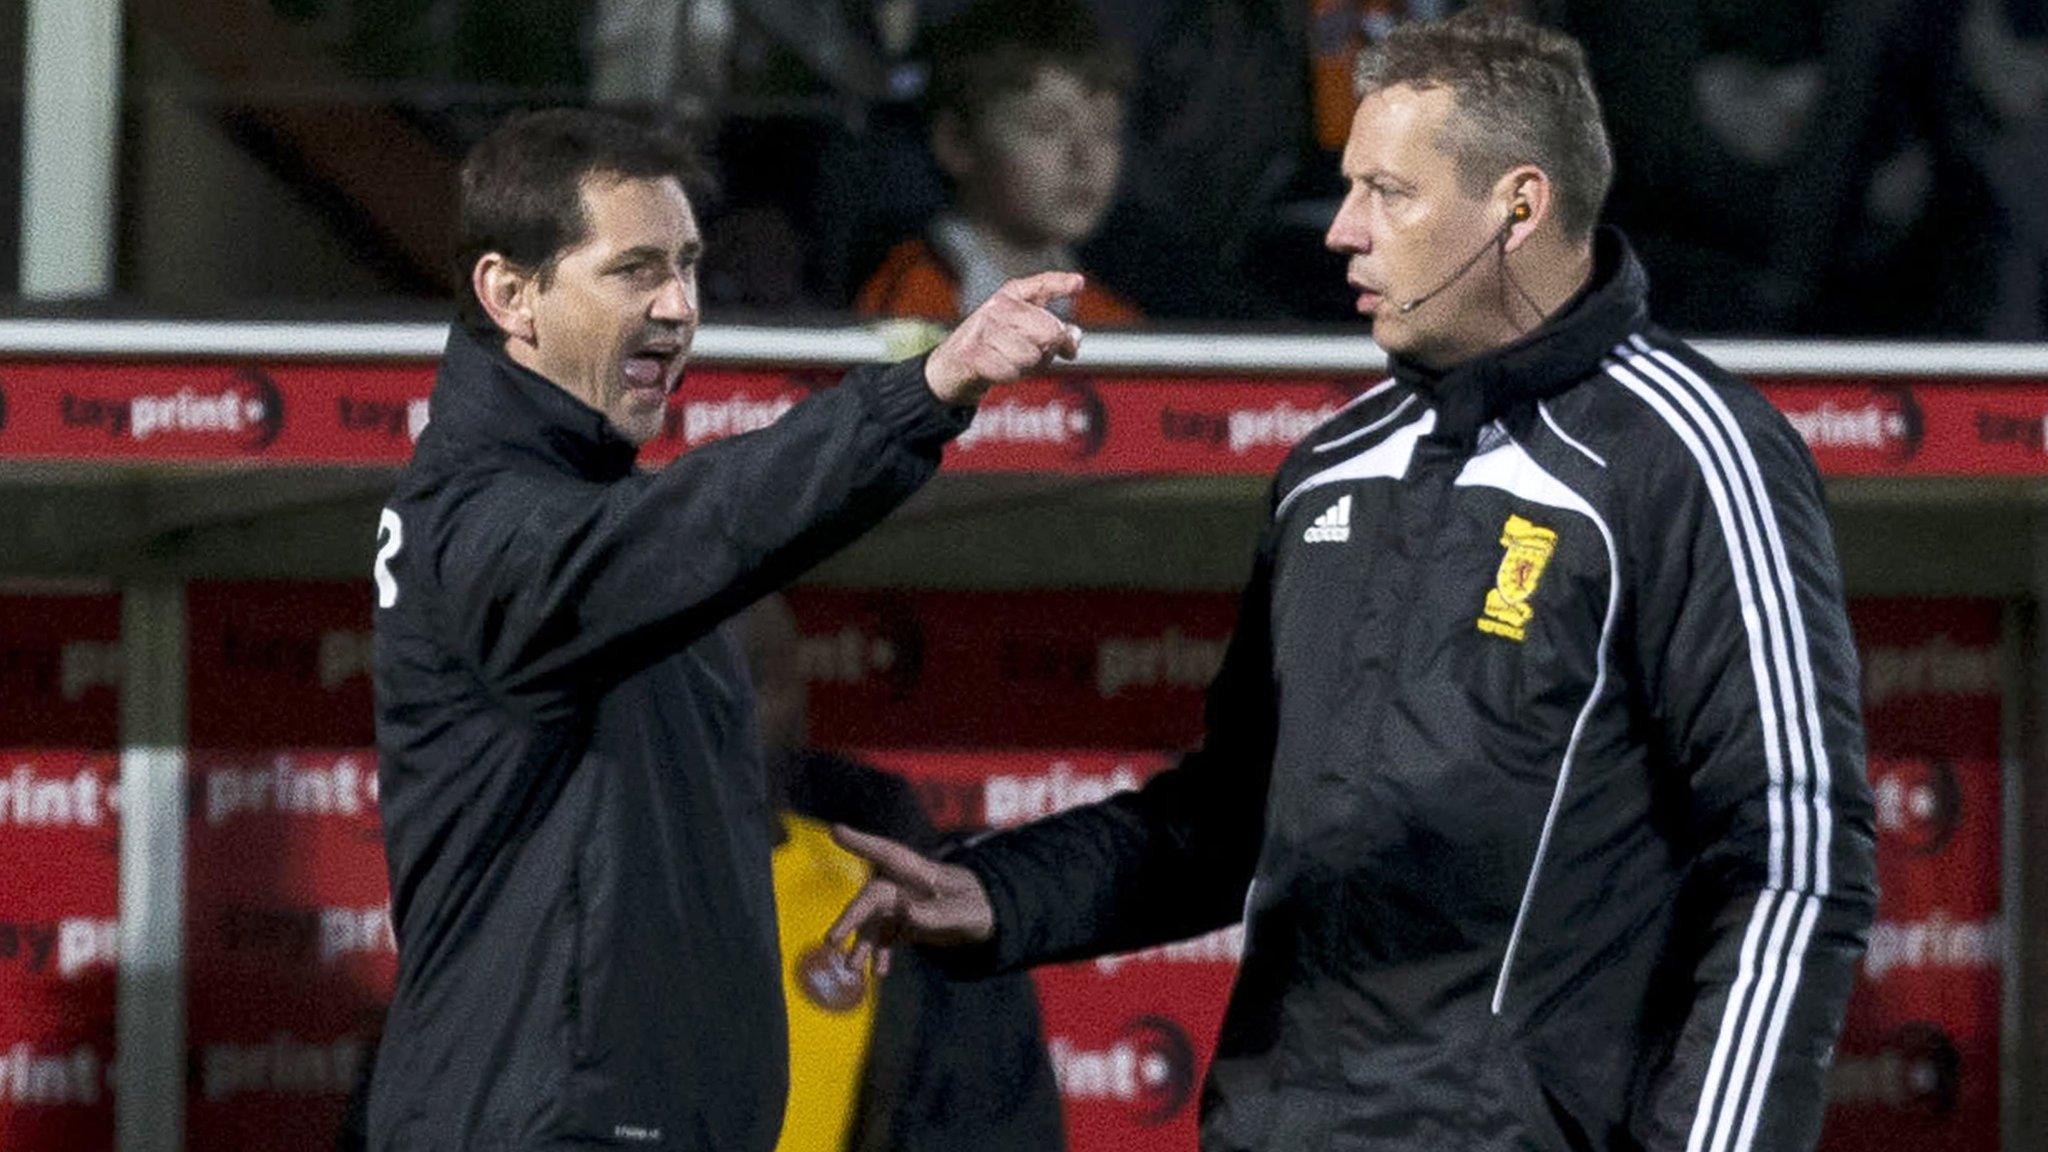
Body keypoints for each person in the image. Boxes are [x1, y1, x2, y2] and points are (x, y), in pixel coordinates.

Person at [828, 13, 1877, 1151]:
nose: (1339, 233)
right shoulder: (1330, 466)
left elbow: (1794, 856)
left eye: (1386, 192)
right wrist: (996, 895)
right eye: (1346, 189)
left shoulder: (1688, 454)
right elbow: (1231, 817)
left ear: (1516, 208)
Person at [366, 107, 1084, 1151]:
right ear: (508, 293)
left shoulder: (586, 512)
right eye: (635, 271)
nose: (678, 308)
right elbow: (709, 521)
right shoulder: (473, 520)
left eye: (690, 267)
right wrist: (927, 388)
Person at [739, 595, 1066, 1152]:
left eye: (750, 681)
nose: (719, 717)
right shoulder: (567, 906)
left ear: (799, 703)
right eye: (686, 694)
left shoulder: (927, 932)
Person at [855, 0, 1143, 327]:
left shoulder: (1111, 318)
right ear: (957, 143)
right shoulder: (911, 299)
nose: (1085, 159)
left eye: (1105, 130)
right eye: (1046, 126)